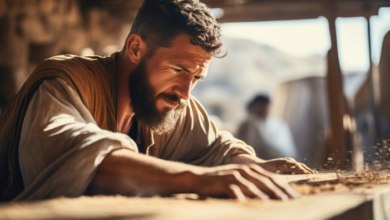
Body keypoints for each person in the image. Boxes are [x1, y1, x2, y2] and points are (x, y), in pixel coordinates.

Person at [0, 0, 315, 202]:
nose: (185, 93)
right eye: (178, 69)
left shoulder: (170, 100)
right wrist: (198, 180)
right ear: (136, 49)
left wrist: (254, 168)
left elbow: (217, 149)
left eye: (196, 78)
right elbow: (84, 159)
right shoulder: (65, 82)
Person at [237, 95, 297, 160]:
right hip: (256, 160)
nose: (263, 109)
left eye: (265, 106)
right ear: (254, 107)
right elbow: (246, 145)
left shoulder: (279, 124)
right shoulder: (248, 123)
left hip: (280, 159)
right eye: (260, 106)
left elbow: (287, 148)